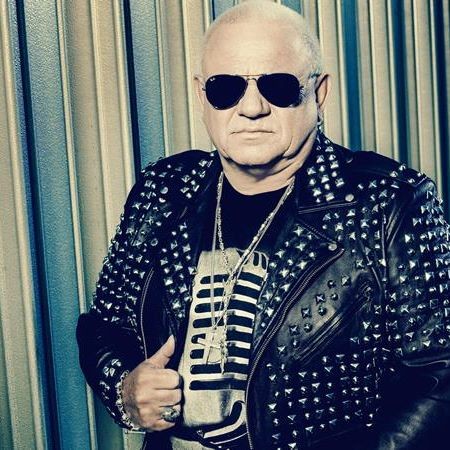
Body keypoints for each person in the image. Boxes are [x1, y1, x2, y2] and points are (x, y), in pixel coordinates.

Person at [77, 2, 450, 449]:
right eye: (226, 88)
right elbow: (105, 325)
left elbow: (440, 378)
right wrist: (124, 388)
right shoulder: (166, 189)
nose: (251, 107)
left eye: (278, 86)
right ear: (201, 96)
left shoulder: (387, 201)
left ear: (319, 93)